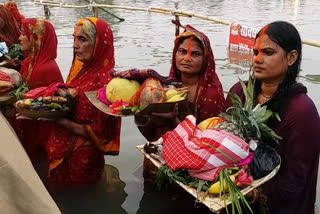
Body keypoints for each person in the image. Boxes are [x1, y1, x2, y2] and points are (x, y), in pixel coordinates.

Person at [226, 21, 320, 214]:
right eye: (255, 52)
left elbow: (296, 178)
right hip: (231, 192)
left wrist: (255, 191)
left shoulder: (302, 111)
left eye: (268, 53)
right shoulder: (239, 93)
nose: (257, 59)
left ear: (291, 57)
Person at [46, 17, 121, 185]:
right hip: (63, 150)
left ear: (99, 44)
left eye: (82, 39)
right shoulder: (82, 73)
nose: (75, 45)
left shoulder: (107, 84)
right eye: (74, 38)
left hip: (82, 160)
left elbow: (103, 134)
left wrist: (63, 122)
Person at [136, 25, 225, 142]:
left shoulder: (210, 95)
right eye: (182, 52)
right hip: (163, 145)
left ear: (206, 60)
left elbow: (205, 141)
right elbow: (151, 134)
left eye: (195, 54)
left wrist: (173, 121)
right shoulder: (167, 85)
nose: (187, 58)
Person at [16, 18, 63, 159]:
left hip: (41, 135)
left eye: (24, 34)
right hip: (29, 125)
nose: (19, 38)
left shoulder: (45, 68)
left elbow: (47, 109)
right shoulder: (28, 63)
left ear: (36, 38)